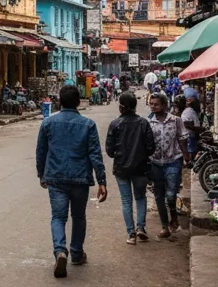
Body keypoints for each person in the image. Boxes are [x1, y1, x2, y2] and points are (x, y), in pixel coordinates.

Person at [36, 85, 108, 279]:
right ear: (78, 101)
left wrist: (41, 174)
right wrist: (102, 180)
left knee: (58, 217)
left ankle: (60, 251)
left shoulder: (48, 123)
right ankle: (76, 253)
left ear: (59, 101)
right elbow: (95, 154)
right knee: (78, 216)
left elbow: (41, 151)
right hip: (80, 178)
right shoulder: (88, 124)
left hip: (56, 178)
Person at [105, 92, 156, 245]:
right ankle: (141, 227)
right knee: (140, 198)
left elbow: (109, 150)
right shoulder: (143, 123)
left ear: (121, 107)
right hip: (140, 168)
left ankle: (131, 234)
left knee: (126, 201)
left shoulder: (115, 124)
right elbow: (151, 148)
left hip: (121, 169)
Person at [147, 92, 190, 238]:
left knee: (171, 194)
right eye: (151, 104)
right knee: (159, 195)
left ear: (164, 105)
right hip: (155, 162)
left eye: (156, 104)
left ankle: (174, 216)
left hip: (173, 160)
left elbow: (182, 138)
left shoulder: (176, 120)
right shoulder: (149, 122)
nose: (153, 106)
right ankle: (165, 226)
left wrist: (186, 156)